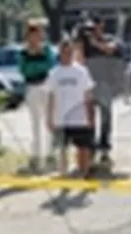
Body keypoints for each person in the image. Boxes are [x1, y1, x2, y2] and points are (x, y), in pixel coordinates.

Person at [45, 36, 96, 178]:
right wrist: (49, 118)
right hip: (61, 117)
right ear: (60, 53)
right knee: (62, 148)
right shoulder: (54, 73)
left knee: (83, 148)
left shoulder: (81, 72)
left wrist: (90, 115)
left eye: (70, 52)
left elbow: (88, 94)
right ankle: (64, 173)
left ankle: (84, 171)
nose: (67, 55)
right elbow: (51, 96)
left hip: (79, 116)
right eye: (64, 52)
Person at [77, 19, 121, 167]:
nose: (93, 30)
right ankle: (90, 148)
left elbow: (111, 49)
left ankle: (104, 149)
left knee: (106, 116)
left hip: (105, 83)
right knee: (88, 118)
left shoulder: (109, 39)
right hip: (88, 83)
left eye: (95, 26)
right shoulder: (84, 43)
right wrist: (82, 41)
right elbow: (78, 59)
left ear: (101, 26)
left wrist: (94, 42)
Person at [18, 19, 57, 172]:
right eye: (32, 34)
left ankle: (51, 154)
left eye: (38, 34)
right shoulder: (23, 52)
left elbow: (49, 65)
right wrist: (36, 66)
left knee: (49, 121)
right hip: (32, 86)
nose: (35, 38)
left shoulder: (46, 50)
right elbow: (24, 70)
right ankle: (36, 155)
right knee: (35, 123)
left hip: (45, 85)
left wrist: (36, 65)